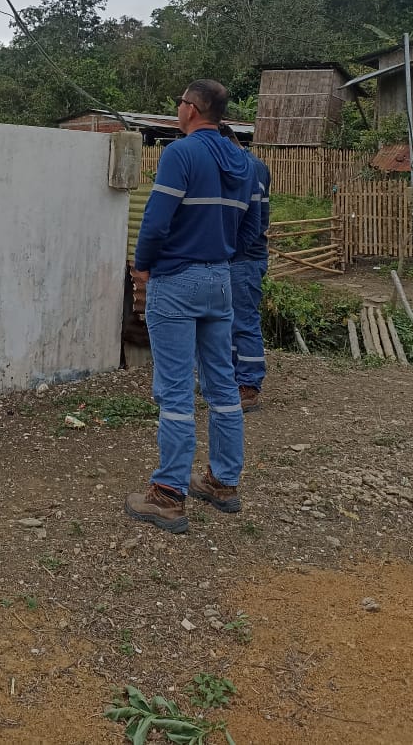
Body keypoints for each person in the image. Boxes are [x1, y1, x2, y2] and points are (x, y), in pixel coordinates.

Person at [125, 81, 260, 535]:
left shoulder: (180, 154)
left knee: (176, 389)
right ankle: (222, 481)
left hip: (177, 281)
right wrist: (222, 258)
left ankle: (168, 494)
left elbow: (156, 219)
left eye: (180, 102)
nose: (177, 109)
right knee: (222, 383)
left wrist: (143, 266)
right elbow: (251, 226)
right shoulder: (243, 162)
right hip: (219, 281)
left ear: (192, 109)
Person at [220, 123, 271, 413]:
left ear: (226, 143)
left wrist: (231, 248)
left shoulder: (248, 168)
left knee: (243, 321)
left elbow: (253, 220)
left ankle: (249, 386)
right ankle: (232, 380)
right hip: (237, 256)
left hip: (244, 257)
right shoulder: (252, 165)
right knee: (228, 321)